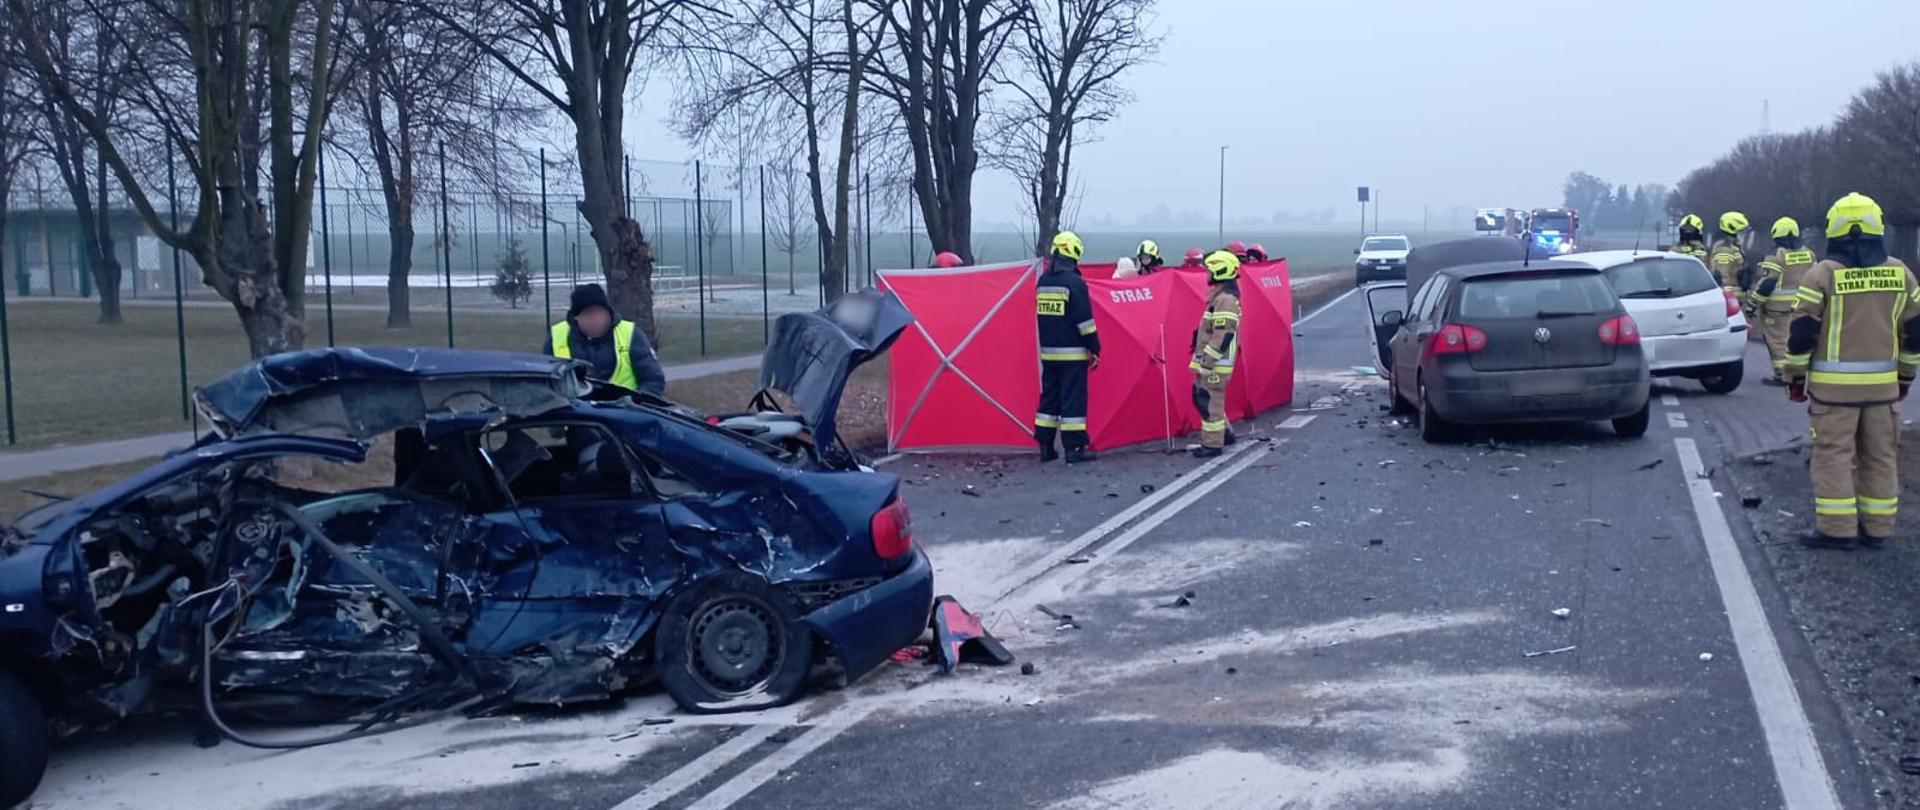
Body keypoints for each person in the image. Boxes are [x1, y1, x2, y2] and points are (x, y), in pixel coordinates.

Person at [1781, 192, 1920, 548]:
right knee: (1881, 457)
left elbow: (1801, 336)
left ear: (1834, 230)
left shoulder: (1821, 275)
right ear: (1878, 228)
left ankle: (1837, 530)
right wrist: (1905, 377)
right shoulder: (1901, 273)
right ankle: (1878, 529)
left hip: (1833, 395)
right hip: (1883, 392)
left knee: (1833, 458)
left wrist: (1794, 378)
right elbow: (1915, 333)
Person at [1035, 231, 1101, 464]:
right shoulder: (1075, 283)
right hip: (1072, 355)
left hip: (1048, 353)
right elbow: (1085, 323)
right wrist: (1095, 347)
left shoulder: (1042, 282)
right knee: (1073, 402)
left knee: (1049, 401)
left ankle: (1045, 446)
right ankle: (1074, 449)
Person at [544, 282, 667, 396]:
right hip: (575, 416)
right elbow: (544, 386)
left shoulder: (630, 334)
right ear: (576, 317)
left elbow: (653, 381)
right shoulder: (556, 337)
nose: (597, 320)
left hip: (624, 414)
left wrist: (633, 405)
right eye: (589, 315)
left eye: (601, 313)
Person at [1749, 217, 1817, 385]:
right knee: (1795, 339)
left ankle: (1781, 375)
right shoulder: (1809, 253)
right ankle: (1799, 372)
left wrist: (1753, 304)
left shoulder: (1776, 255)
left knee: (1777, 341)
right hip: (1802, 305)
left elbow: (1767, 284)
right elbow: (1817, 278)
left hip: (1776, 308)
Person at [1189, 250, 1243, 459]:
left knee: (1209, 401)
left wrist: (1207, 360)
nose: (1206, 275)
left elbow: (1223, 335)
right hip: (1211, 361)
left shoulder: (1225, 301)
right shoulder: (1220, 297)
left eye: (1209, 271)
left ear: (1220, 271)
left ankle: (1213, 444)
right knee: (1205, 398)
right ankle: (1225, 434)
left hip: (1216, 363)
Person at [1709, 211, 1750, 297]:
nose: (1744, 234)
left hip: (1736, 297)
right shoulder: (1724, 250)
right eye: (1741, 231)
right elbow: (1723, 278)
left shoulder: (1734, 247)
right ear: (1732, 230)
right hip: (1730, 299)